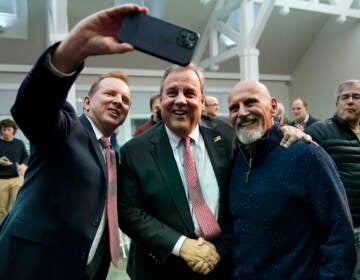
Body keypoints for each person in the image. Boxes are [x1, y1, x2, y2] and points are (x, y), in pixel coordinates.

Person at [117, 63, 309, 279]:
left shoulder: (227, 134)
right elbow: (128, 211)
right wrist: (182, 246)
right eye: (172, 93)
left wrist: (289, 131)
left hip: (222, 263)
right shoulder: (135, 150)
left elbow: (260, 140)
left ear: (201, 101)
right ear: (161, 100)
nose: (181, 100)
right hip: (162, 269)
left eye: (189, 93)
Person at [0, 4, 149, 280]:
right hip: (33, 266)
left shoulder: (112, 152)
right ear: (87, 102)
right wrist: (71, 51)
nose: (119, 101)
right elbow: (32, 108)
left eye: (126, 100)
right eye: (110, 94)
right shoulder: (66, 126)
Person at [214, 80, 356, 279]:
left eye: (250, 103)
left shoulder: (307, 155)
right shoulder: (236, 160)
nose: (242, 113)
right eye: (234, 108)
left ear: (272, 106)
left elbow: (339, 235)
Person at [304, 79, 360, 279]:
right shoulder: (319, 132)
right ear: (337, 103)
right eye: (345, 97)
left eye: (356, 97)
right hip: (343, 230)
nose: (350, 101)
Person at [0, 118, 29, 221]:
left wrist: (24, 164)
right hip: (1, 181)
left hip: (16, 180)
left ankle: (14, 231)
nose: (6, 132)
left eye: (8, 129)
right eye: (4, 130)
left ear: (13, 130)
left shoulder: (19, 143)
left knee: (18, 207)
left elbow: (26, 157)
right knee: (1, 209)